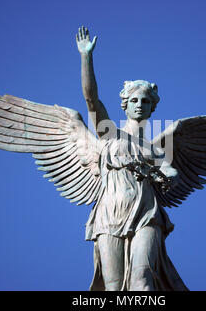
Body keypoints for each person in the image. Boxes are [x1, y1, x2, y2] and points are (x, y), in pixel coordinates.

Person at [76, 26, 188, 291]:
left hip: (147, 214)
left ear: (152, 107)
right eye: (134, 100)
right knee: (112, 287)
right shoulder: (108, 134)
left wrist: (166, 176)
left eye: (145, 101)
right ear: (125, 104)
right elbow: (91, 100)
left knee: (142, 280)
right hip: (109, 214)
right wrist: (86, 57)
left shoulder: (156, 148)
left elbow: (171, 172)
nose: (140, 104)